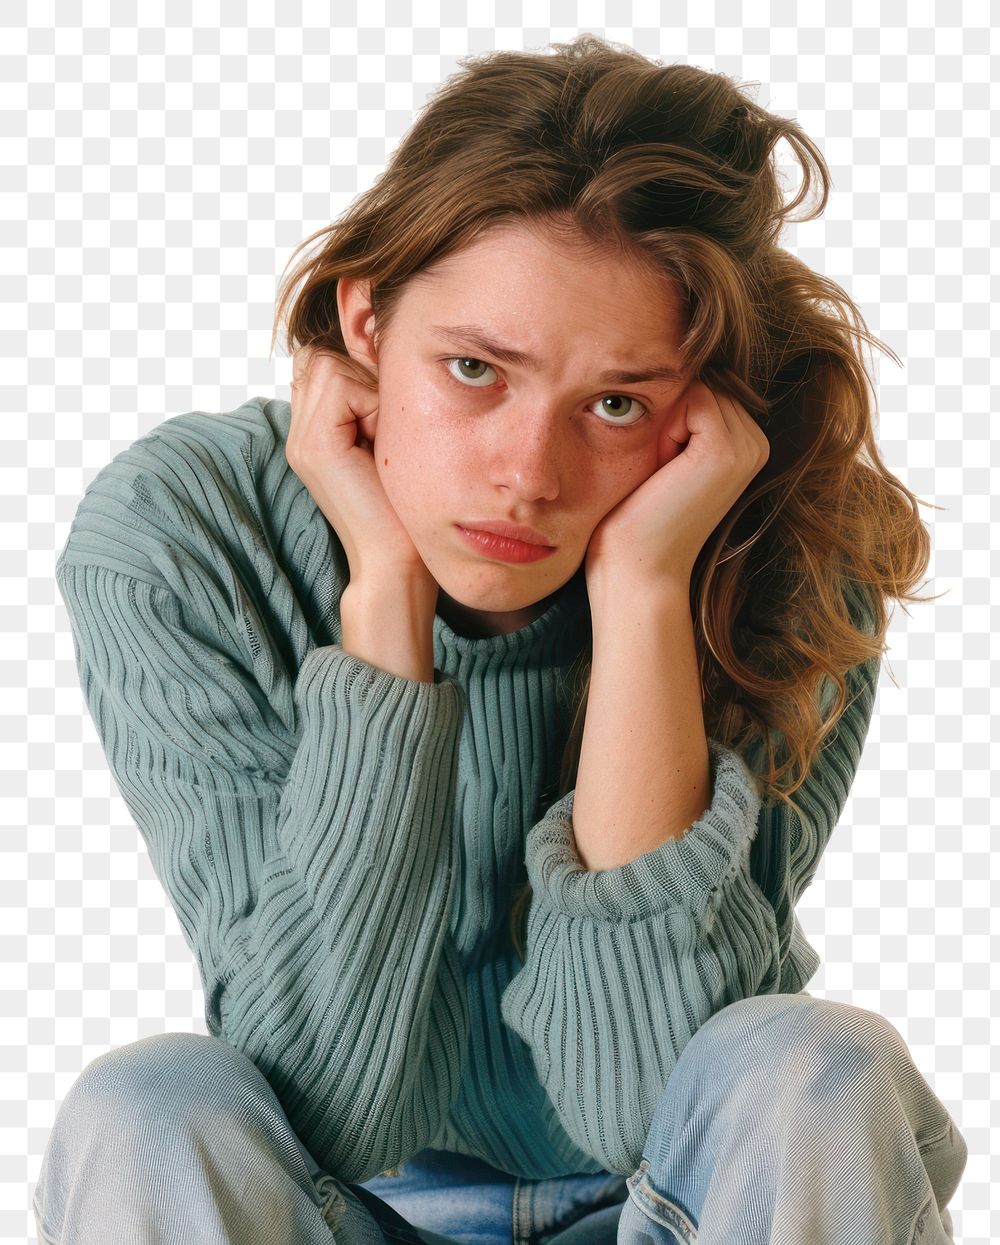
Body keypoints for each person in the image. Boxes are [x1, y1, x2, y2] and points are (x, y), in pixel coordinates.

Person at [33, 32, 967, 1245]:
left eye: (617, 402)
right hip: (336, 1209)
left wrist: (643, 598)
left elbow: (642, 1093)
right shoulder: (187, 532)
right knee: (150, 1103)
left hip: (687, 1204)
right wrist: (385, 598)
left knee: (813, 1061)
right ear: (362, 322)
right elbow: (330, 1097)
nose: (528, 475)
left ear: (704, 414)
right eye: (474, 370)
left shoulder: (790, 548)